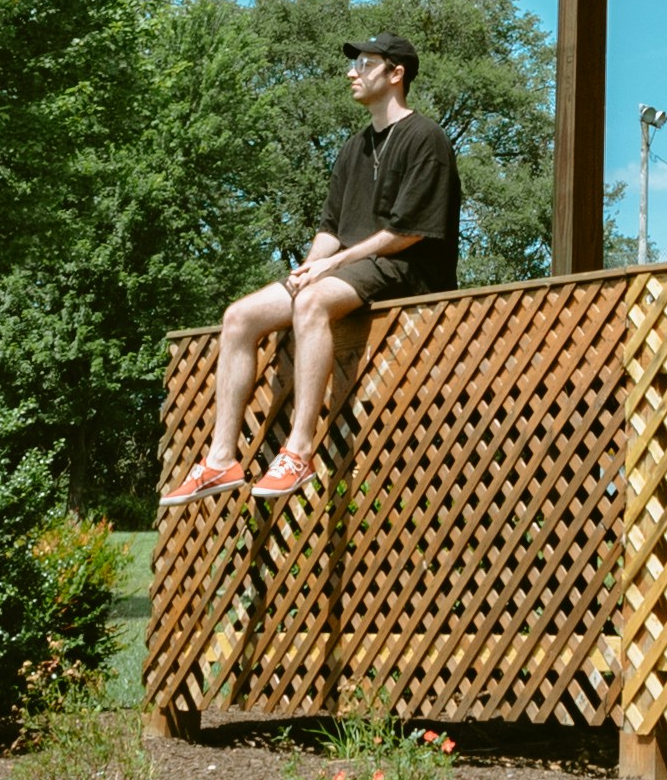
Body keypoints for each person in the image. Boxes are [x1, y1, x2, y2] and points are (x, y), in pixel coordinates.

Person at [159, 32, 460, 504]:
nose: (351, 73)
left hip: (408, 269)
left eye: (364, 63)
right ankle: (220, 461)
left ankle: (298, 452)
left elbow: (410, 232)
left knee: (314, 301)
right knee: (240, 316)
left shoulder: (426, 138)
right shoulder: (353, 147)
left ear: (395, 74)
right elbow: (330, 229)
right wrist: (307, 268)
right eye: (354, 64)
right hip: (356, 269)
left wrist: (332, 266)